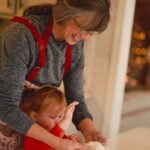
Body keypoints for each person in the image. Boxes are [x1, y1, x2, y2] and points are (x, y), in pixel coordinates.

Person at [0, 0, 110, 149]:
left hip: (30, 140)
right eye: (84, 28)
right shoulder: (21, 36)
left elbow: (76, 98)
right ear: (67, 13)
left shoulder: (75, 47)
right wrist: (57, 142)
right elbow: (6, 106)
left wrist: (90, 130)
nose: (85, 37)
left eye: (91, 33)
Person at [20, 85, 80, 149]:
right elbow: (50, 144)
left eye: (60, 116)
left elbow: (61, 142)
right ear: (35, 116)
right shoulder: (32, 134)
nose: (58, 121)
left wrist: (69, 140)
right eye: (52, 117)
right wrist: (66, 120)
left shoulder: (53, 129)